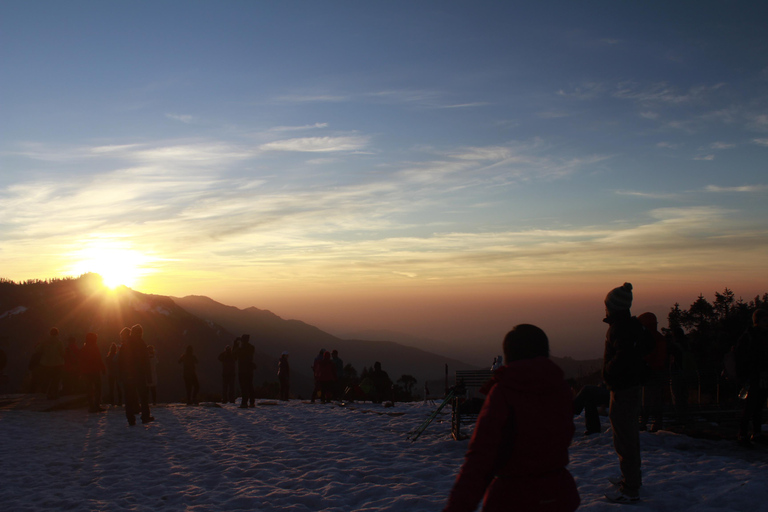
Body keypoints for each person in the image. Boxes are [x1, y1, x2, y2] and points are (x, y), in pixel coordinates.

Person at [443, 324, 580, 512]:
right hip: (559, 495)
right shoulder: (561, 389)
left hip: (513, 498)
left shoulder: (503, 393)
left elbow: (481, 458)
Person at [602, 282, 652, 503]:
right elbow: (646, 345)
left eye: (607, 305)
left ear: (613, 307)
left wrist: (609, 372)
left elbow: (623, 356)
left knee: (625, 438)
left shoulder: (620, 328)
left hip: (623, 389)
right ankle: (630, 478)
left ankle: (630, 488)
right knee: (627, 435)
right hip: (630, 386)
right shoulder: (633, 326)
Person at [734, 308, 768, 446]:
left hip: (762, 377)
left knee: (758, 406)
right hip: (752, 377)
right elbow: (745, 358)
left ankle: (756, 432)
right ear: (757, 321)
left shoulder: (760, 336)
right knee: (750, 407)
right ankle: (743, 434)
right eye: (765, 320)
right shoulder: (750, 337)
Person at [638, 312, 668, 432]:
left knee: (647, 399)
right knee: (656, 398)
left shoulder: (651, 339)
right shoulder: (659, 338)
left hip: (651, 372)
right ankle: (656, 422)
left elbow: (649, 356)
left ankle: (644, 422)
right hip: (658, 372)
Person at [119, 325, 154, 425]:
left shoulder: (125, 344)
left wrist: (122, 374)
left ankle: (131, 419)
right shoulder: (141, 344)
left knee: (129, 398)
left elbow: (120, 361)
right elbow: (146, 362)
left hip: (128, 375)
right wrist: (149, 376)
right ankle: (145, 416)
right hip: (139, 375)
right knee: (143, 397)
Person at [80, 332, 106, 413]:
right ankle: (96, 405)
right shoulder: (94, 347)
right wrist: (103, 368)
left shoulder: (84, 348)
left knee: (89, 389)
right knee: (98, 388)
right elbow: (98, 358)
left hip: (86, 372)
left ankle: (91, 406)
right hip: (95, 371)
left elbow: (81, 361)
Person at [39, 327, 65, 400]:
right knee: (56, 380)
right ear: (57, 334)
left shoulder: (44, 341)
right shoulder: (59, 342)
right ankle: (54, 394)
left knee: (47, 379)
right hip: (57, 363)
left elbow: (38, 350)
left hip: (46, 363)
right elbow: (62, 353)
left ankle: (44, 394)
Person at [235, 334, 255, 408]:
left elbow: (234, 355)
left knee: (243, 387)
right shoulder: (251, 347)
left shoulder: (241, 348)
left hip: (242, 370)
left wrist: (236, 344)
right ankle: (252, 402)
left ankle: (244, 403)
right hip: (250, 370)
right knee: (250, 386)